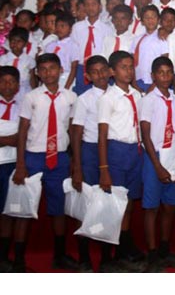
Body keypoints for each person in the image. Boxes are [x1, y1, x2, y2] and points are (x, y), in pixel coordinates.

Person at [12, 53, 78, 273]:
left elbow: (72, 130)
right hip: (33, 157)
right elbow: (22, 131)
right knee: (25, 208)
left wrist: (74, 160)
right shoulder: (31, 97)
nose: (48, 73)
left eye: (52, 68)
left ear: (61, 70)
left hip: (59, 157)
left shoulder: (70, 97)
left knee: (58, 209)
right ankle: (18, 260)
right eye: (44, 69)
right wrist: (21, 163)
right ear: (38, 73)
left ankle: (59, 256)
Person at [139, 56, 175, 272]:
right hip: (155, 157)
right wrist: (157, 166)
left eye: (169, 72)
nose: (165, 76)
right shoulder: (148, 100)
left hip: (174, 155)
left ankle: (164, 250)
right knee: (152, 207)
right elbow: (145, 134)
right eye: (161, 73)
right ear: (153, 76)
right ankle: (152, 255)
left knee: (170, 206)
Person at [97, 51, 146, 272]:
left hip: (135, 151)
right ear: (112, 72)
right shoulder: (107, 98)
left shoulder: (137, 95)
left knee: (128, 203)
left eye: (131, 67)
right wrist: (104, 168)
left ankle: (123, 249)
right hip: (116, 152)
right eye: (123, 67)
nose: (128, 71)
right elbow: (102, 135)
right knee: (113, 205)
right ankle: (106, 257)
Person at [69, 55, 113, 272]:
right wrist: (77, 167)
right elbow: (76, 133)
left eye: (103, 70)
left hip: (112, 152)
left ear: (110, 71)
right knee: (86, 205)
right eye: (94, 72)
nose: (100, 75)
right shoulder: (84, 99)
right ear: (87, 76)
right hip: (90, 152)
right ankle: (84, 257)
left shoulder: (117, 94)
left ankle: (106, 258)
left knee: (107, 205)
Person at [0, 66, 21, 272]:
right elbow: (15, 138)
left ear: (18, 86)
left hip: (13, 164)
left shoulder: (22, 107)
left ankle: (3, 256)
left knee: (8, 211)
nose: (7, 85)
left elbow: (22, 138)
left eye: (12, 82)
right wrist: (11, 138)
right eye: (3, 81)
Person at [71, 0, 111, 95]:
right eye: (87, 5)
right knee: (81, 94)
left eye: (93, 4)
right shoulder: (77, 27)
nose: (90, 7)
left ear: (100, 7)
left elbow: (107, 49)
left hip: (99, 69)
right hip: (81, 67)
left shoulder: (107, 29)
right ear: (84, 7)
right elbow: (74, 49)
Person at [43, 13, 79, 91]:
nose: (59, 29)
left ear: (70, 29)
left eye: (62, 26)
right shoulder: (50, 45)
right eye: (57, 26)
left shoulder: (73, 46)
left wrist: (67, 86)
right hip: (50, 77)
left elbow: (74, 68)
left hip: (66, 78)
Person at [0, 28, 36, 98]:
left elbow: (32, 79)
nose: (15, 43)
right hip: (7, 89)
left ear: (25, 44)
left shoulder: (29, 60)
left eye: (19, 41)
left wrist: (34, 94)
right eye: (12, 40)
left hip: (24, 90)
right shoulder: (3, 59)